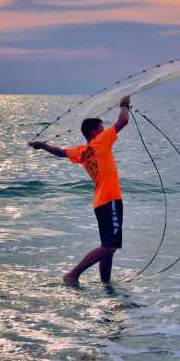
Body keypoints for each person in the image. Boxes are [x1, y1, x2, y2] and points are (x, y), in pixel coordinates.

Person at [29, 95, 131, 286]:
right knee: (109, 248)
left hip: (100, 202)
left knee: (109, 247)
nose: (104, 130)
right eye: (102, 128)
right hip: (110, 198)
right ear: (94, 132)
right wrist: (124, 103)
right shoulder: (101, 141)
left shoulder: (82, 151)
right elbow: (123, 120)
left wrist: (42, 145)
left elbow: (60, 152)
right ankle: (73, 275)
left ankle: (106, 285)